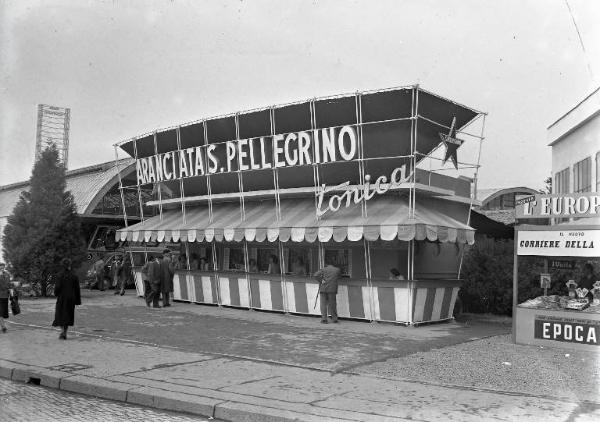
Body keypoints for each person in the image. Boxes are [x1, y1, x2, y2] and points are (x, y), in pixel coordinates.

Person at [52, 258, 81, 340]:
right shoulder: (74, 276)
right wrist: (77, 301)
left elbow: (57, 287)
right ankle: (65, 331)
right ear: (69, 265)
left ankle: (62, 331)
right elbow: (77, 289)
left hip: (62, 297)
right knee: (68, 315)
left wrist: (56, 293)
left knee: (60, 315)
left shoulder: (60, 275)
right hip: (71, 298)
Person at [314, 259, 341, 324]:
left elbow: (315, 275)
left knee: (323, 304)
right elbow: (339, 277)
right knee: (333, 304)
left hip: (323, 289)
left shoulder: (323, 269)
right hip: (332, 289)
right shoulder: (337, 270)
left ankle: (324, 319)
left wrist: (321, 281)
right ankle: (334, 319)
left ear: (327, 264)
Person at [0, 263, 12, 333]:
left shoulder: (7, 274)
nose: (2, 268)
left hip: (5, 296)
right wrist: (1, 276)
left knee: (4, 312)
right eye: (0, 268)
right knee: (1, 312)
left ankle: (3, 325)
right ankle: (3, 327)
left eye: (3, 267)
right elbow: (2, 285)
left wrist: (11, 293)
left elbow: (8, 284)